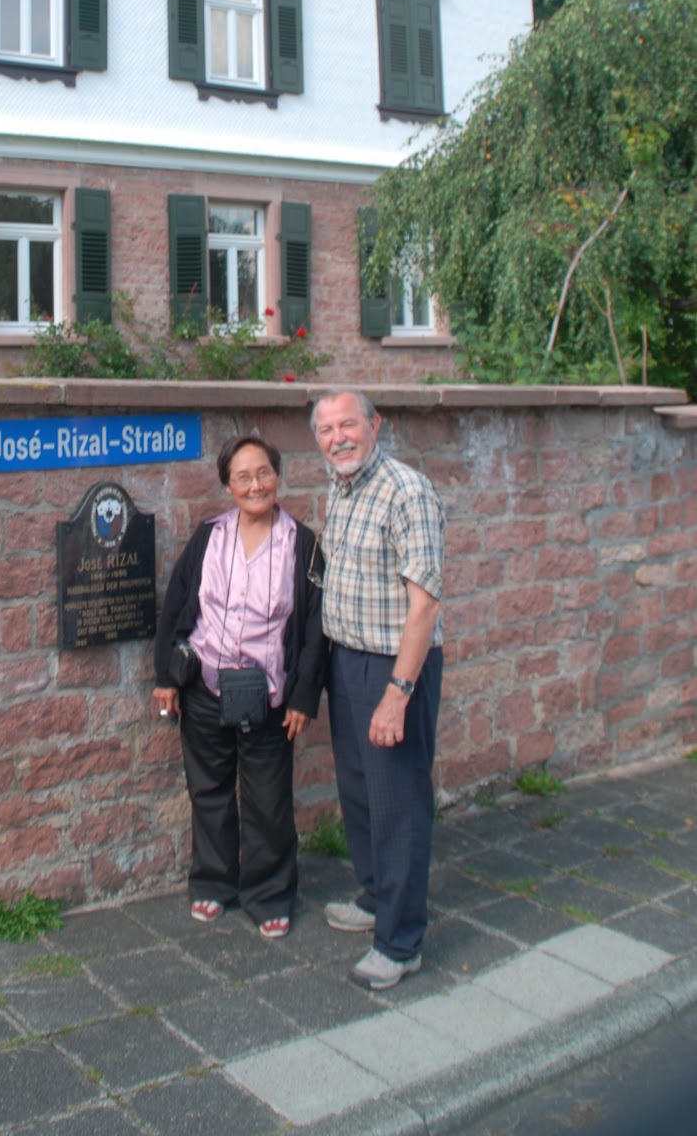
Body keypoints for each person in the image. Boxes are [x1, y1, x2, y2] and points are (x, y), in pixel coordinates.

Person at [153, 434, 327, 939]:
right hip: (206, 688)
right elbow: (178, 604)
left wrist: (303, 697)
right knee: (207, 791)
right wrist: (165, 676)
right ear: (228, 485)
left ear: (278, 476)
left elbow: (316, 628)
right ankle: (213, 883)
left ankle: (270, 893)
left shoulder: (304, 543)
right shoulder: (209, 537)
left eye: (264, 473)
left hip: (269, 697)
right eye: (243, 477)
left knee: (268, 800)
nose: (256, 485)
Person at [311, 388, 445, 990]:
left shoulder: (406, 491)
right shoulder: (340, 489)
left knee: (399, 806)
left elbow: (424, 604)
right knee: (361, 795)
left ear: (375, 424)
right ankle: (373, 897)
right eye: (325, 429)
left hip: (395, 667)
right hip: (348, 663)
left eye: (348, 425)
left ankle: (400, 941)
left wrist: (398, 691)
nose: (337, 437)